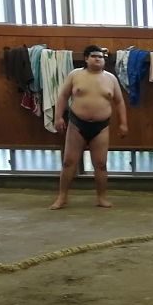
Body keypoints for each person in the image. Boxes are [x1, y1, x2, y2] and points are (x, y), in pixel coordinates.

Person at [50, 45, 128, 210]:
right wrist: (57, 117)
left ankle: (101, 197)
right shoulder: (75, 75)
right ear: (86, 58)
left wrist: (123, 123)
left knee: (100, 163)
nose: (98, 59)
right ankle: (62, 197)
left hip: (101, 126)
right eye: (94, 56)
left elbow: (120, 102)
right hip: (77, 123)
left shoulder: (111, 78)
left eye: (101, 57)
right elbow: (63, 96)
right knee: (69, 162)